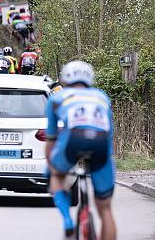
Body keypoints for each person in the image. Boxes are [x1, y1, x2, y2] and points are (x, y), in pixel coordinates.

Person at [45, 61, 116, 240]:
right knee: (105, 209)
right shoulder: (102, 97)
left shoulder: (57, 98)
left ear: (65, 79)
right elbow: (109, 135)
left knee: (56, 175)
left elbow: (52, 139)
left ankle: (68, 220)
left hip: (72, 142)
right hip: (100, 145)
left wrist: (51, 165)